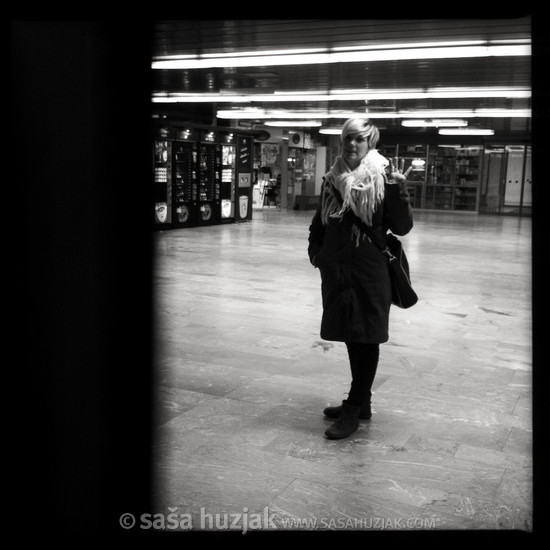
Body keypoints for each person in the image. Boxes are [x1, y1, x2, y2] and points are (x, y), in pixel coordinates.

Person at [308, 118, 413, 440]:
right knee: (352, 334)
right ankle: (362, 401)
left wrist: (398, 190)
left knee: (366, 334)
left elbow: (402, 226)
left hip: (370, 270)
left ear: (370, 144)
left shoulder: (383, 177)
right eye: (348, 138)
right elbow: (320, 223)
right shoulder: (331, 179)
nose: (353, 145)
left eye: (360, 140)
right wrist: (318, 254)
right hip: (338, 268)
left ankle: (354, 406)